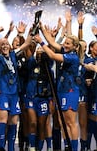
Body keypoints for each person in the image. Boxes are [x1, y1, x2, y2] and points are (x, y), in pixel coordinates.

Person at [34, 22, 80, 151]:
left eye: (67, 44)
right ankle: (67, 146)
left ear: (75, 47)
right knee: (61, 122)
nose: (64, 45)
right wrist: (42, 27)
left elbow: (52, 55)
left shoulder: (72, 57)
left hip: (70, 92)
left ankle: (74, 148)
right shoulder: (65, 51)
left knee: (70, 122)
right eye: (64, 43)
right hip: (60, 91)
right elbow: (52, 43)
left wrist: (41, 43)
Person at [0, 21, 32, 151]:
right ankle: (1, 148)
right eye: (2, 44)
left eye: (6, 44)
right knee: (3, 121)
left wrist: (28, 32)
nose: (4, 46)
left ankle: (11, 148)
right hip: (2, 93)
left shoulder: (13, 55)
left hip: (14, 94)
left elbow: (27, 44)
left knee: (13, 122)